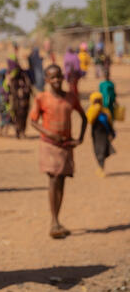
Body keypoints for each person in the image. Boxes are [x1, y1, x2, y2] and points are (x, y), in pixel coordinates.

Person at [29, 65, 87, 239]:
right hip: (49, 145)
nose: (55, 80)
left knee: (61, 180)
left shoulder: (70, 97)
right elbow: (33, 121)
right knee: (53, 178)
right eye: (51, 78)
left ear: (63, 77)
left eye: (58, 77)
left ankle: (57, 219)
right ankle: (54, 221)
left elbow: (84, 117)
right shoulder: (41, 98)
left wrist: (80, 138)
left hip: (66, 146)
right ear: (46, 80)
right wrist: (50, 134)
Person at [86, 92, 116, 177]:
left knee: (102, 151)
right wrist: (96, 109)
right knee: (98, 151)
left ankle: (101, 167)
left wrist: (112, 133)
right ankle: (100, 167)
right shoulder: (91, 110)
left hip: (104, 134)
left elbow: (109, 122)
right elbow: (90, 119)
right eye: (96, 101)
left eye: (99, 101)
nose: (98, 103)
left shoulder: (105, 111)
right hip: (96, 134)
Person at [7, 54, 32, 139]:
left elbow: (28, 85)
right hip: (14, 100)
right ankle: (18, 131)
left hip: (23, 100)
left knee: (23, 115)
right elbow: (6, 88)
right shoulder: (8, 74)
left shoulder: (22, 73)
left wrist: (23, 91)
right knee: (15, 116)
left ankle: (22, 132)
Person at [0, 69, 12, 137]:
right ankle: (5, 132)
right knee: (7, 117)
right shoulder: (5, 83)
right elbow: (8, 92)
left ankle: (1, 132)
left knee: (1, 117)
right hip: (4, 102)